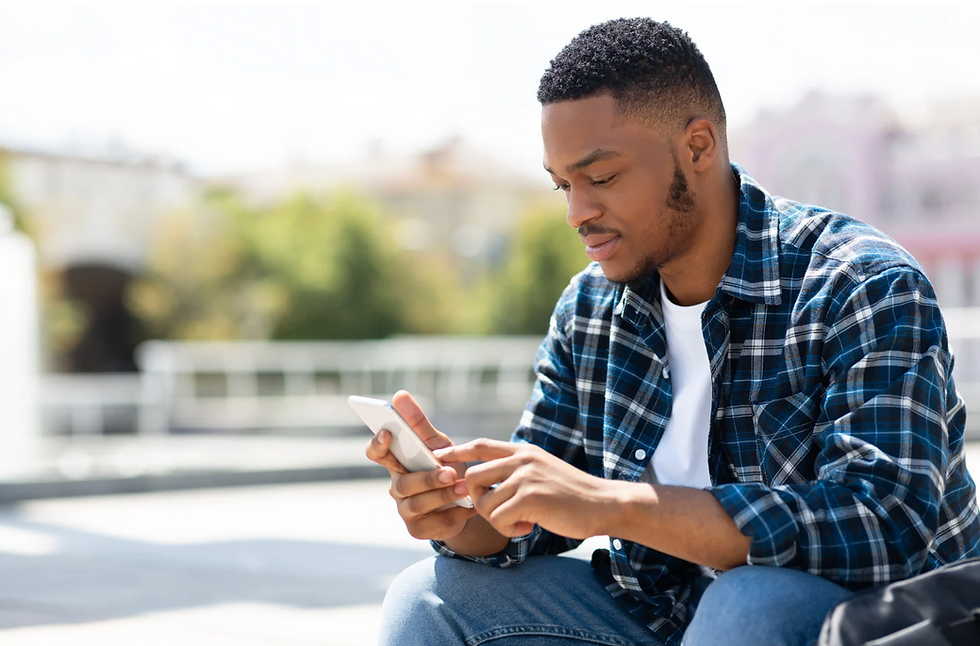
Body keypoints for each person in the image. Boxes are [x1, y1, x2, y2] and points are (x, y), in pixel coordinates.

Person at [365, 17, 980, 646]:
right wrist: (460, 507)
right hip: (669, 620)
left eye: (600, 178)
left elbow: (884, 526)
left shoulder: (859, 283)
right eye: (563, 185)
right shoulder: (590, 309)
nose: (578, 213)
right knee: (429, 599)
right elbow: (537, 520)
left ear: (698, 145)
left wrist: (609, 503)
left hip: (875, 626)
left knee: (749, 602)